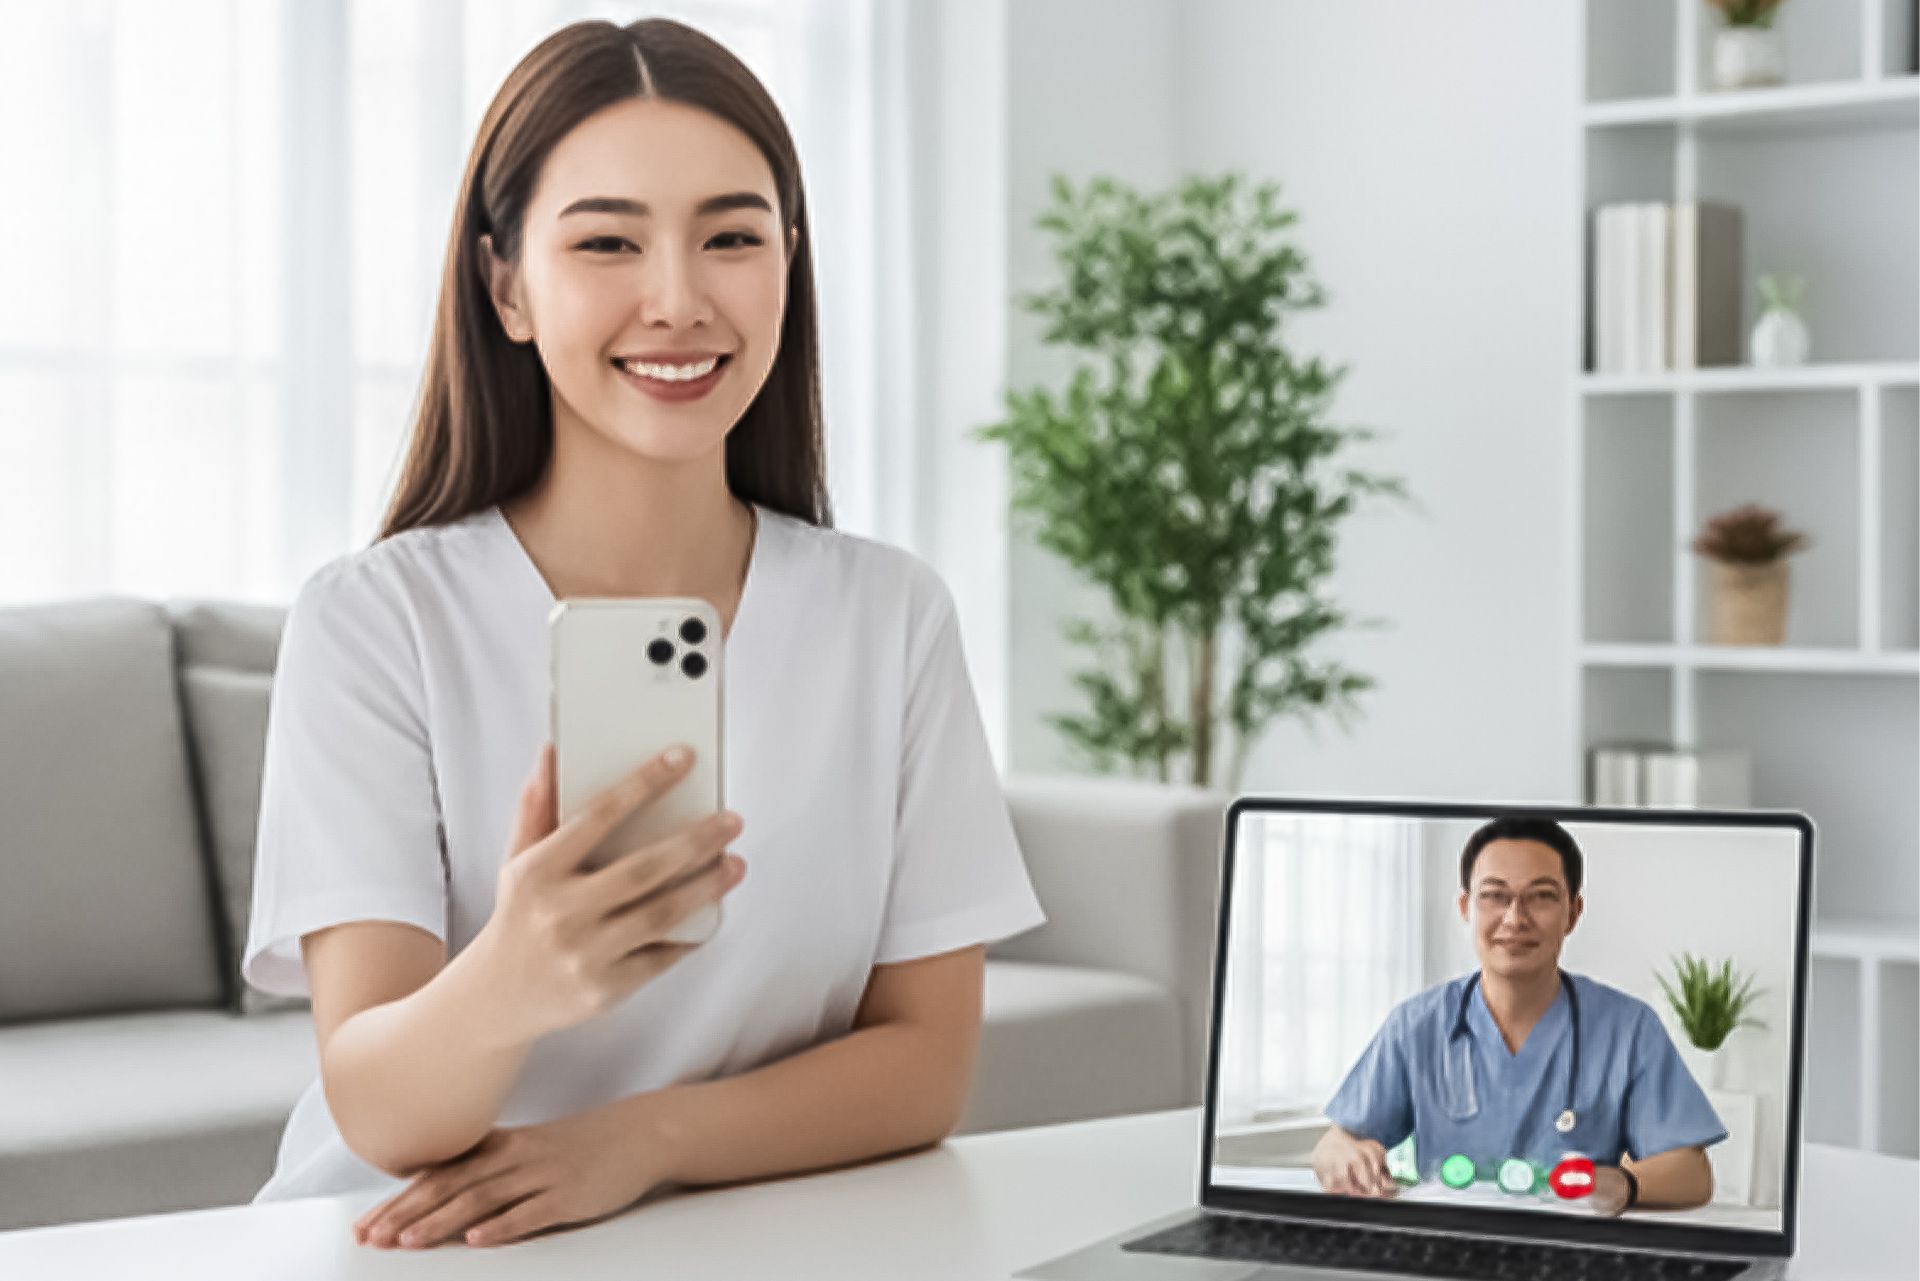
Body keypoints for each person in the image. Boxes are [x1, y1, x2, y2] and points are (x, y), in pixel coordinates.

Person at [239, 18, 1045, 1250]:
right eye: (608, 241)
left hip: (737, 1236)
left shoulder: (889, 617)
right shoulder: (377, 621)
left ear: (790, 262)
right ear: (507, 286)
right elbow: (380, 1110)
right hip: (415, 1247)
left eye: (732, 237)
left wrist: (639, 1142)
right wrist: (512, 974)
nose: (678, 300)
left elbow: (926, 1066)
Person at [1308, 817, 1725, 1216]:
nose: (1515, 919)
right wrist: (1341, 1153)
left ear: (1573, 912)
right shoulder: (1416, 1025)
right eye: (1494, 895)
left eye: (1541, 896)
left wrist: (1624, 1184)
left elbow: (1692, 1173)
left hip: (1571, 1254)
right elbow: (1334, 1143)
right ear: (1465, 907)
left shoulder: (1628, 1029)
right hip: (1446, 1252)